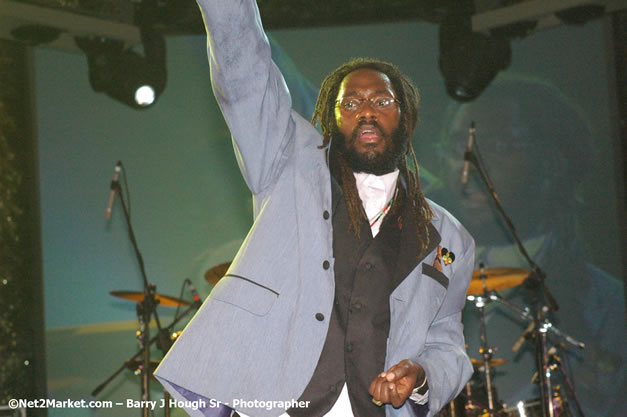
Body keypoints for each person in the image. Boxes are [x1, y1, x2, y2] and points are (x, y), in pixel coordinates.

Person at [155, 1, 475, 416]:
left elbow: (447, 341)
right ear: (329, 118)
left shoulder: (450, 238)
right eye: (350, 103)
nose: (365, 112)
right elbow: (245, 80)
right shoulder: (287, 166)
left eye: (381, 102)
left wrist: (422, 374)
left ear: (406, 119)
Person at [429, 77, 625, 416]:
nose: (469, 167)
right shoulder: (414, 283)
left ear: (551, 163)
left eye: (501, 146)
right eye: (458, 145)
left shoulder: (606, 309)